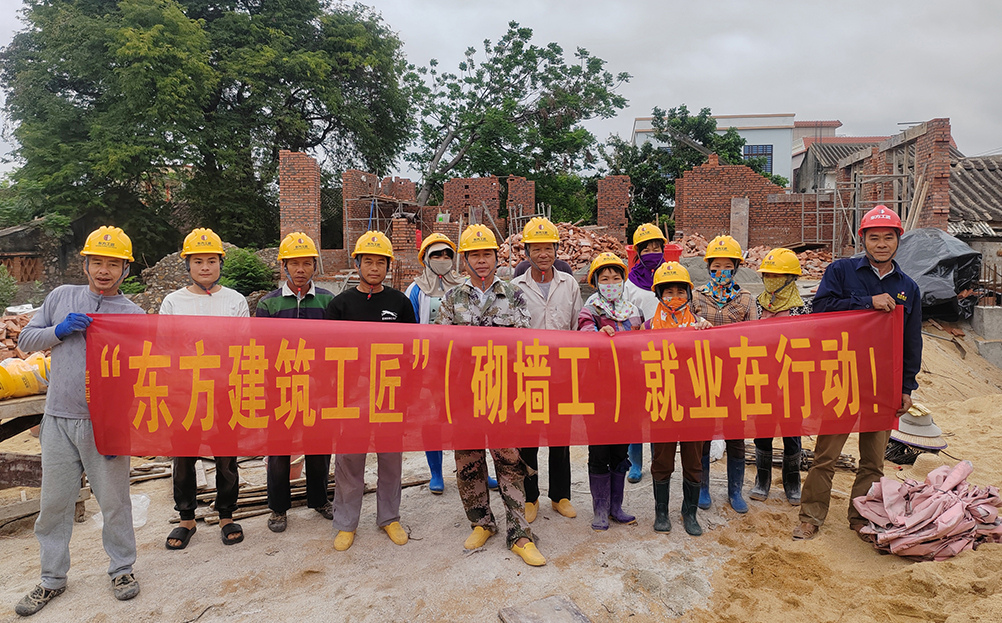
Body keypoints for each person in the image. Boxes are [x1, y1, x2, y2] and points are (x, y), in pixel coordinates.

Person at [15, 226, 143, 616]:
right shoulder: (61, 298)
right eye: (97, 262)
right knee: (53, 504)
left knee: (114, 503)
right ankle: (51, 578)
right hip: (58, 419)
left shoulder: (133, 315)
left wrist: (123, 423)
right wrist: (58, 330)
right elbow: (25, 340)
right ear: (85, 264)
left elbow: (143, 373)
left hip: (105, 424)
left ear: (125, 270)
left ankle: (122, 570)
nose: (104, 271)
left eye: (113, 264)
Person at [793, 206, 921, 541]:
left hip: (883, 384)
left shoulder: (908, 287)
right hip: (842, 377)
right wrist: (867, 302)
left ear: (898, 240)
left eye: (888, 237)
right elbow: (821, 310)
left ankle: (861, 518)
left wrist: (907, 387)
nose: (882, 244)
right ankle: (810, 517)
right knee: (826, 455)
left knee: (873, 461)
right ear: (863, 239)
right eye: (874, 237)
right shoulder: (841, 271)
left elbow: (911, 342)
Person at [437, 224, 545, 567]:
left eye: (487, 254)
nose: (481, 261)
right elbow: (442, 349)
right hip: (465, 394)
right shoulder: (452, 299)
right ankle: (481, 522)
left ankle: (520, 533)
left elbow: (526, 344)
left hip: (504, 393)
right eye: (475, 255)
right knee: (468, 461)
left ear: (497, 258)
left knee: (510, 461)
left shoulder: (513, 295)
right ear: (465, 260)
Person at [325, 231, 414, 551]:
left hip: (389, 394)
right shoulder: (340, 305)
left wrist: (408, 392)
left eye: (380, 262)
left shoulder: (400, 303)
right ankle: (346, 522)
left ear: (388, 266)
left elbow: (411, 350)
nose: (374, 268)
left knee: (390, 458)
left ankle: (389, 517)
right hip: (351, 396)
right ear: (357, 264)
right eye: (368, 261)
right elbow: (326, 353)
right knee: (349, 460)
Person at [160, 228, 249, 550]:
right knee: (184, 456)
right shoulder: (173, 302)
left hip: (224, 390)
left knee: (226, 456)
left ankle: (226, 514)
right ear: (188, 265)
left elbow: (243, 347)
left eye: (211, 260)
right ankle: (186, 517)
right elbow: (164, 349)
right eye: (198, 261)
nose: (205, 267)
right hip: (185, 392)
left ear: (221, 263)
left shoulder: (235, 301)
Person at [256, 232, 335, 532]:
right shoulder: (268, 305)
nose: (300, 270)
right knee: (279, 450)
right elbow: (260, 350)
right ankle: (278, 508)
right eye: (294, 263)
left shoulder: (328, 301)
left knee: (319, 447)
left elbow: (336, 346)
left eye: (306, 263)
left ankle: (319, 499)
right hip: (280, 389)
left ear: (315, 265)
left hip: (318, 389)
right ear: (284, 266)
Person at [511, 217, 583, 523]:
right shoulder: (515, 287)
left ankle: (560, 496)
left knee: (560, 438)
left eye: (548, 248)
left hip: (562, 373)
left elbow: (578, 326)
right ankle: (530, 497)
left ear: (556, 249)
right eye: (536, 248)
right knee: (527, 439)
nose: (543, 254)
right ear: (526, 251)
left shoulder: (569, 284)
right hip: (527, 373)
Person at [690, 234, 757, 514]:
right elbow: (685, 332)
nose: (721, 272)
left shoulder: (746, 299)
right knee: (704, 433)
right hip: (703, 375)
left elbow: (756, 337)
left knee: (735, 435)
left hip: (734, 376)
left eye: (727, 267)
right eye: (715, 267)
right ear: (708, 268)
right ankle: (703, 487)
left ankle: (735, 491)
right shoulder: (696, 296)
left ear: (736, 268)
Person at [643, 262, 711, 536]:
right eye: (668, 291)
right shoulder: (648, 327)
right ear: (659, 295)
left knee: (693, 460)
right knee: (662, 459)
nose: (675, 296)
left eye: (680, 291)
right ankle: (661, 512)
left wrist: (709, 335)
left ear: (689, 294)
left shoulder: (700, 326)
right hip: (662, 402)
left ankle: (689, 512)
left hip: (694, 403)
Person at [577, 253, 639, 531]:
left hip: (627, 392)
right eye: (605, 279)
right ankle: (600, 509)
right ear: (595, 283)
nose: (611, 283)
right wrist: (598, 336)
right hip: (598, 392)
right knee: (599, 451)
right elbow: (585, 338)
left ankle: (616, 507)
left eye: (616, 278)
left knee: (620, 451)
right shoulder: (589, 312)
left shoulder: (634, 312)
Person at [750, 248, 812, 506]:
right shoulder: (757, 304)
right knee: (762, 431)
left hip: (792, 382)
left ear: (791, 278)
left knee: (792, 432)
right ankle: (762, 479)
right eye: (767, 275)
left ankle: (792, 481)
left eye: (777, 275)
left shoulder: (803, 308)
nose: (771, 280)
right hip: (763, 380)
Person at [622, 223, 668, 483]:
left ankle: (657, 461)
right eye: (646, 249)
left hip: (666, 356)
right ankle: (635, 464)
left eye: (656, 247)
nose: (652, 252)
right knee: (636, 413)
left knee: (659, 411)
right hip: (637, 357)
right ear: (637, 252)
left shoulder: (672, 277)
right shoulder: (630, 283)